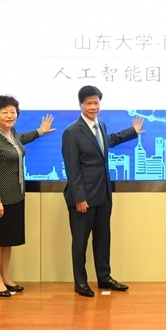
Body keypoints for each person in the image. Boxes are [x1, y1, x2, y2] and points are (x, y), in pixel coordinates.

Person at [61, 85, 145, 297]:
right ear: (80, 105)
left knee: (102, 238)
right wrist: (79, 197)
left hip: (103, 194)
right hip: (83, 197)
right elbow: (72, 168)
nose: (93, 107)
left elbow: (109, 141)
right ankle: (80, 282)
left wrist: (132, 132)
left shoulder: (101, 125)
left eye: (96, 103)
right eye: (88, 103)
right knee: (80, 241)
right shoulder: (72, 132)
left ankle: (104, 277)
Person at [0, 95, 54, 297]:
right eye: (4, 112)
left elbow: (21, 140)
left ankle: (5, 277)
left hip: (16, 196)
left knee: (8, 239)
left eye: (13, 111)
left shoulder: (11, 133)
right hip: (0, 200)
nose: (9, 115)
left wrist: (40, 131)